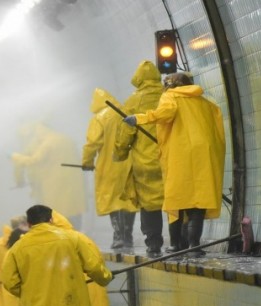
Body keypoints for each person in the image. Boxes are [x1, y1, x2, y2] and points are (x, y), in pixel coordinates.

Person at [123, 71, 226, 256]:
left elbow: (165, 113)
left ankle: (175, 245)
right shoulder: (205, 103)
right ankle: (194, 246)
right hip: (204, 154)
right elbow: (217, 130)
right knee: (198, 200)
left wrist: (139, 118)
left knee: (177, 198)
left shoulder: (170, 97)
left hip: (181, 153)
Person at [115, 61, 167, 257]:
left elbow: (126, 132)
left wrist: (120, 153)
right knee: (175, 200)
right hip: (170, 157)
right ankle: (182, 241)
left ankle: (154, 243)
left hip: (145, 161)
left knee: (149, 204)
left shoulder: (133, 101)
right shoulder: (168, 96)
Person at [81, 88, 138, 250]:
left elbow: (92, 143)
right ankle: (128, 236)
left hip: (109, 165)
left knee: (114, 201)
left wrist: (87, 162)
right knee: (129, 199)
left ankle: (118, 237)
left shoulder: (99, 118)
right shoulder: (124, 112)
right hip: (129, 162)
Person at [11, 121, 85, 228]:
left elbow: (31, 161)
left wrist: (19, 178)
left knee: (53, 217)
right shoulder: (66, 139)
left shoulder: (42, 143)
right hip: (74, 187)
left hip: (52, 188)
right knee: (73, 214)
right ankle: (76, 237)